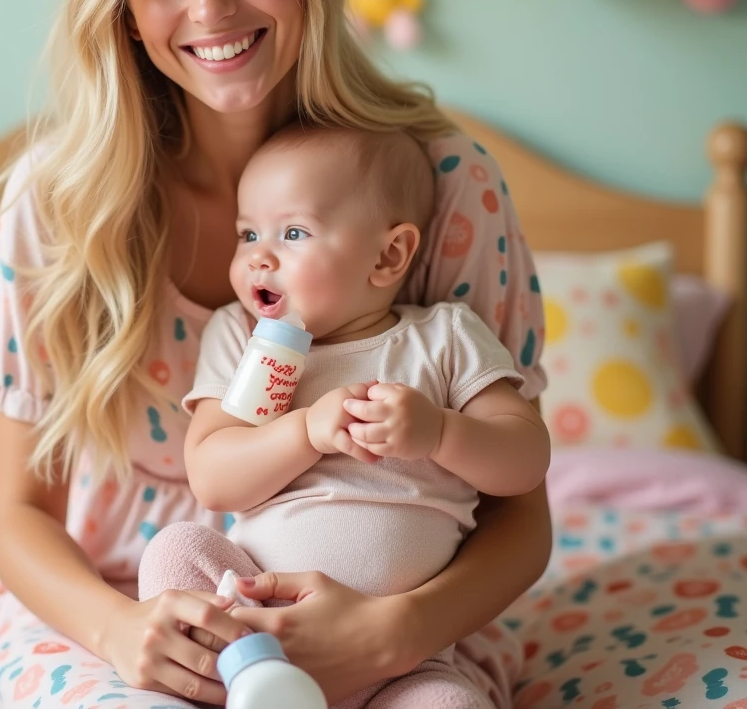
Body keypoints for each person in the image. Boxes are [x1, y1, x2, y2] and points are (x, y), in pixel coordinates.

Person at [0, 0, 549, 709]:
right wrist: (125, 635)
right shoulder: (60, 205)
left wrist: (396, 634)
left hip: (401, 616)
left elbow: (522, 507)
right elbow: (18, 513)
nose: (209, 6)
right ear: (119, 1)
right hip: (117, 611)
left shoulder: (441, 187)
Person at [139, 124, 551, 708]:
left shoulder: (445, 337)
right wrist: (304, 431)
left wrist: (440, 432)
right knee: (175, 551)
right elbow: (212, 476)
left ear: (389, 255)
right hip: (253, 627)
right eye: (248, 232)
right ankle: (242, 689)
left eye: (293, 232)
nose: (259, 254)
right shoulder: (239, 336)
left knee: (451, 705)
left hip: (401, 659)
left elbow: (526, 460)